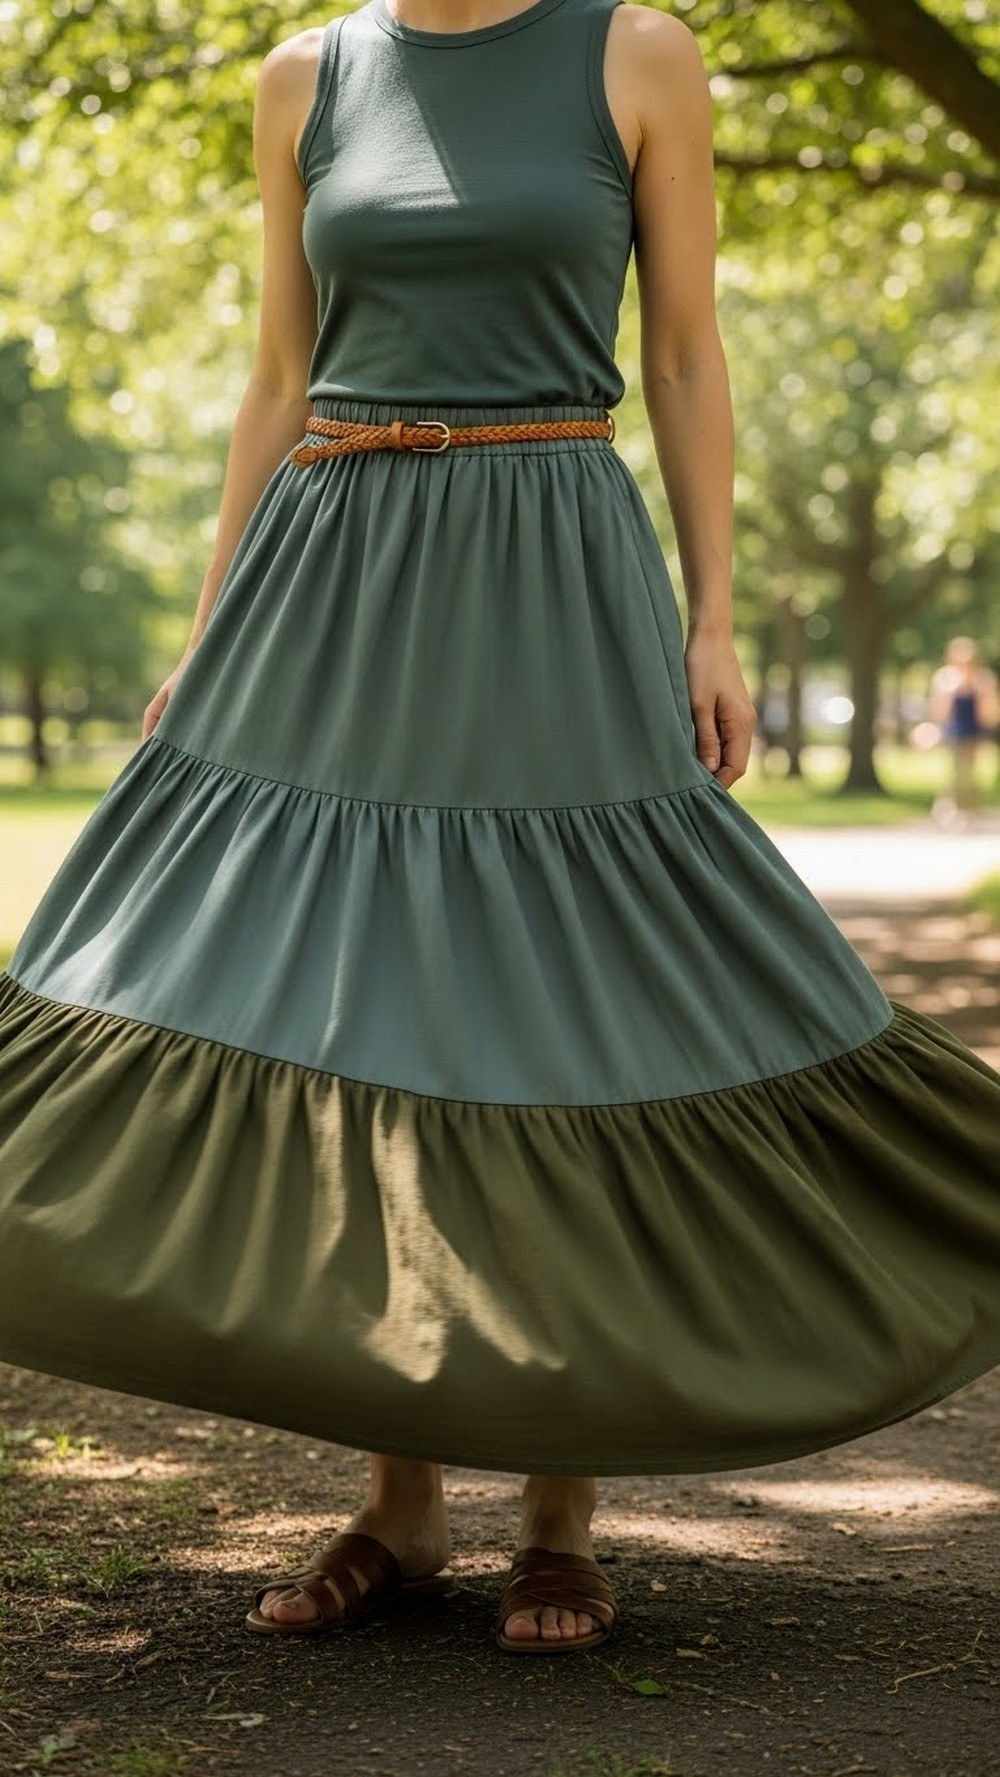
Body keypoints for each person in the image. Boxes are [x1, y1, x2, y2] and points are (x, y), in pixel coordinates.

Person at [0, 0, 998, 1658]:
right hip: (333, 577)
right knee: (365, 997)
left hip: (551, 558)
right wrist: (206, 625)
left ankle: (561, 1509)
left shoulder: (638, 51)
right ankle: (397, 1499)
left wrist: (715, 616)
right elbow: (277, 372)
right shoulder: (303, 77)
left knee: (564, 996)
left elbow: (683, 351)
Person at [928, 636, 999, 820]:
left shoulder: (982, 679)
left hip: (973, 730)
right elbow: (938, 709)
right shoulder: (946, 679)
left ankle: (968, 806)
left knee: (969, 770)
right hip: (953, 730)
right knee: (956, 769)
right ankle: (951, 805)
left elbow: (989, 710)